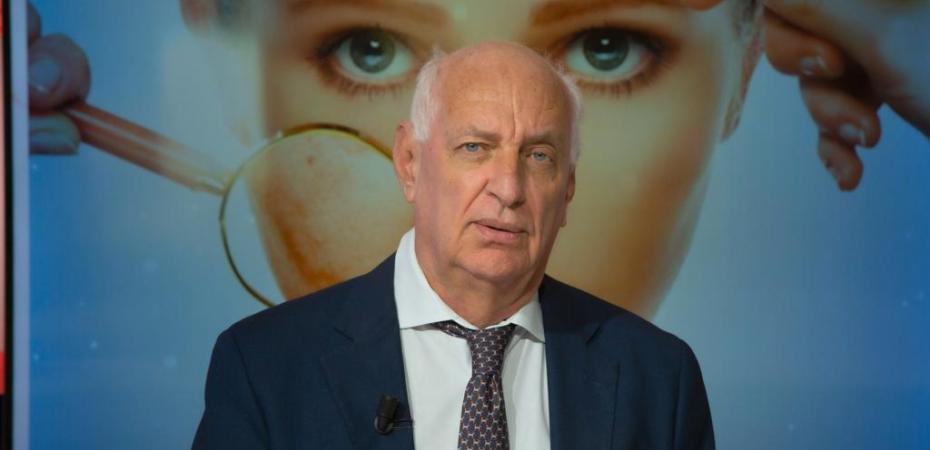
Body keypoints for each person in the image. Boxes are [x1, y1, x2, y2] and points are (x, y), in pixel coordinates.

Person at [26, 0, 930, 317]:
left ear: (744, 68)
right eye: (370, 50)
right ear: (232, 62)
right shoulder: (255, 382)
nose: (497, 191)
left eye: (606, 48)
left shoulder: (661, 392)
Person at [192, 42, 714, 450]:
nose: (508, 189)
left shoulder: (658, 379)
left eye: (538, 156)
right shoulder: (266, 367)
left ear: (568, 188)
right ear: (409, 162)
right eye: (475, 147)